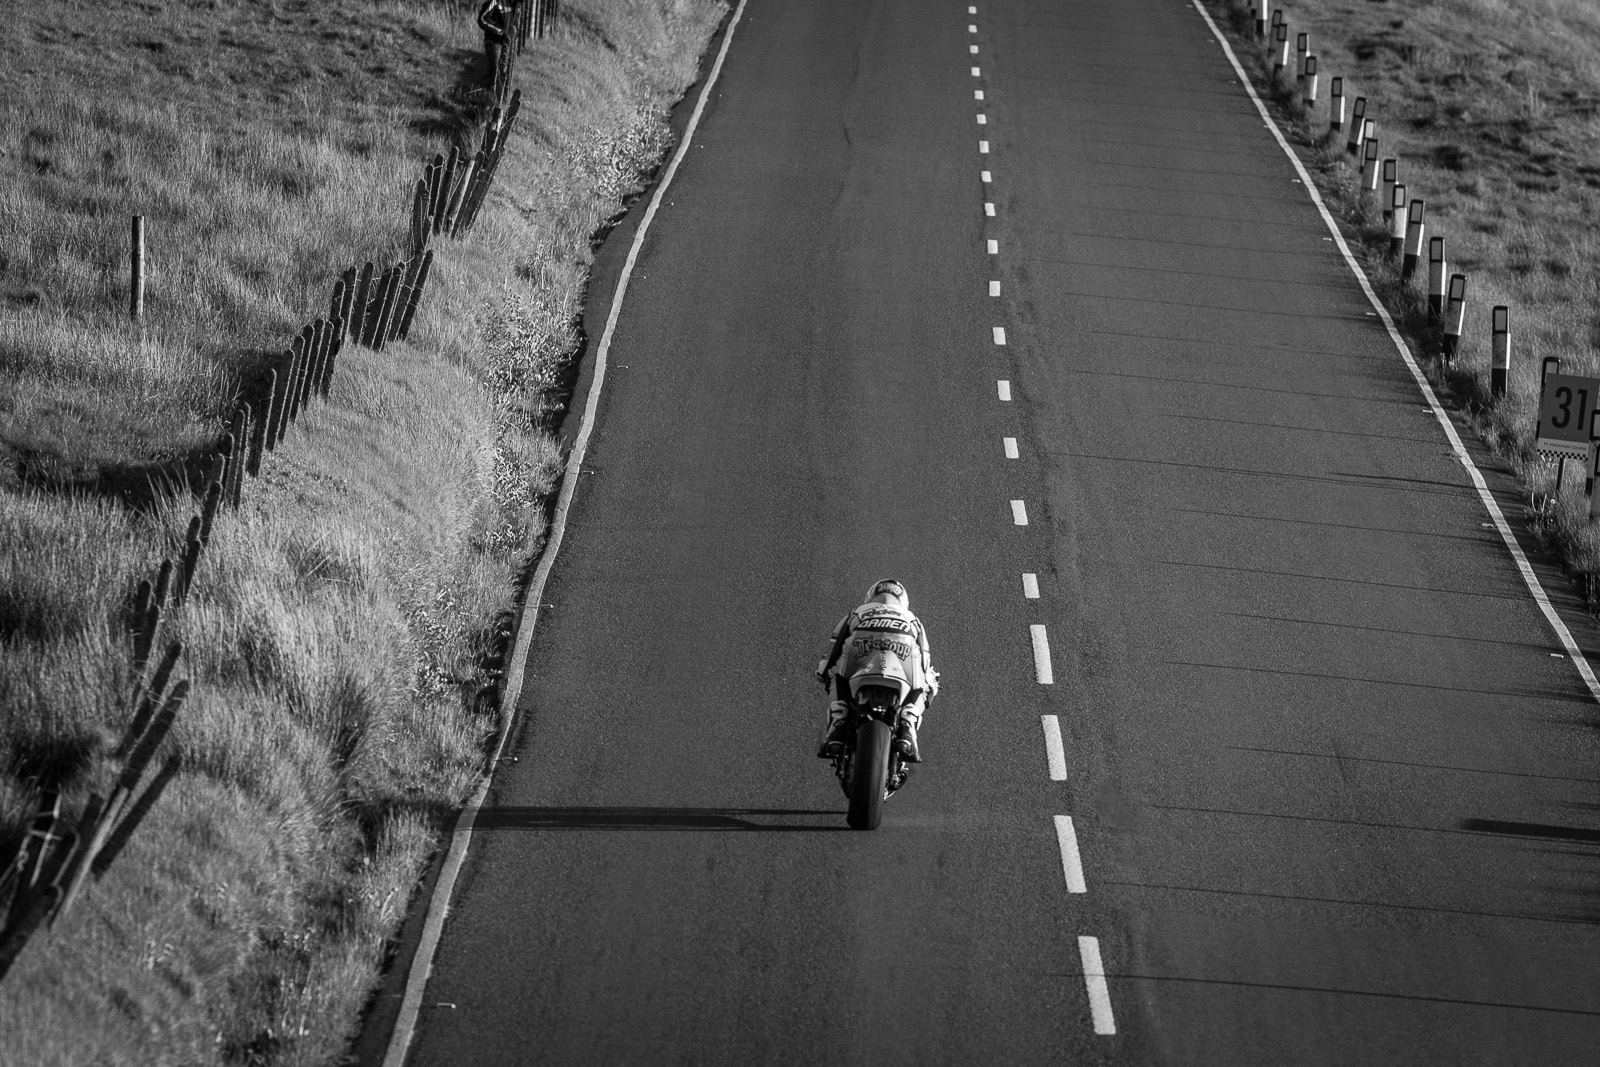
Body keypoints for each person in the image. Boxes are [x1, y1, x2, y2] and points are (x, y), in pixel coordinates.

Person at [815, 579, 939, 762]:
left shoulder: (857, 612)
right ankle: (908, 722)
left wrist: (823, 670)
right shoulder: (913, 619)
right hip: (903, 649)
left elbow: (835, 645)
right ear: (903, 600)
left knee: (835, 674)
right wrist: (930, 682)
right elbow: (925, 658)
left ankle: (839, 720)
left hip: (861, 646)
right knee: (925, 684)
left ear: (871, 596)